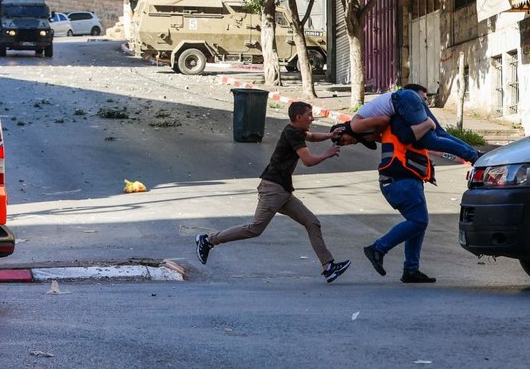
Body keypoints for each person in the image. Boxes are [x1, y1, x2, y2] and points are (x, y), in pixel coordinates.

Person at [196, 101, 351, 283]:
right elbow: (308, 160)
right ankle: (208, 240)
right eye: (309, 115)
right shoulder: (292, 133)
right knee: (255, 229)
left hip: (282, 190)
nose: (312, 118)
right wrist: (328, 153)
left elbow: (312, 136)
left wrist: (330, 135)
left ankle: (328, 267)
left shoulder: (296, 131)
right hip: (273, 189)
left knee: (312, 223)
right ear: (298, 117)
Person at [362, 113, 439, 283]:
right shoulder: (405, 126)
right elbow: (435, 134)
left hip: (402, 181)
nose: (424, 105)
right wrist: (430, 122)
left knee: (417, 223)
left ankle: (411, 269)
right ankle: (378, 248)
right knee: (419, 221)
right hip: (401, 182)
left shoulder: (397, 125)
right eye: (422, 99)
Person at [349, 84, 481, 164]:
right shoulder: (361, 124)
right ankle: (475, 153)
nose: (347, 143)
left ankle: (472, 156)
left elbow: (384, 120)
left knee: (431, 140)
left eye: (344, 141)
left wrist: (375, 134)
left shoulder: (355, 125)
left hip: (402, 101)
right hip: (407, 98)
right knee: (440, 133)